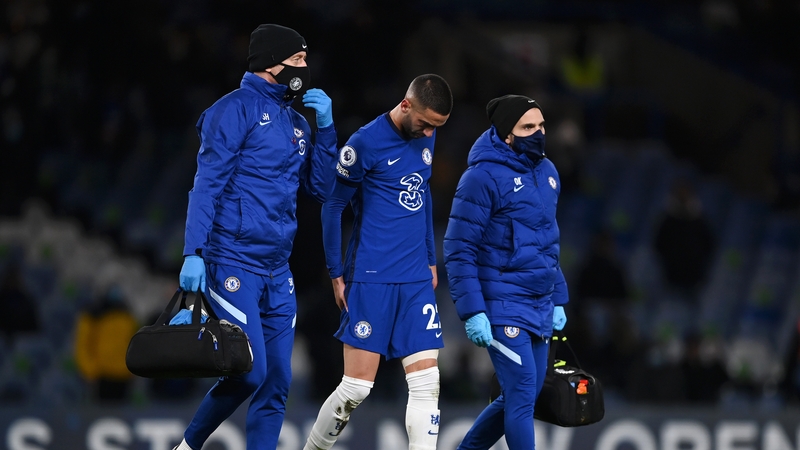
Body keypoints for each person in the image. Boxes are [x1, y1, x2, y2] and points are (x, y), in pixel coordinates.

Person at [174, 23, 338, 450]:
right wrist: (193, 252)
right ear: (272, 64)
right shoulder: (232, 110)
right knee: (250, 372)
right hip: (232, 259)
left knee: (278, 380)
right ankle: (186, 447)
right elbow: (205, 185)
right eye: (299, 60)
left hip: (276, 267)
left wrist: (326, 129)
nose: (306, 68)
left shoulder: (297, 123)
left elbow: (321, 189)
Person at [302, 74, 453, 450]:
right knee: (356, 388)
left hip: (416, 278)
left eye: (437, 127)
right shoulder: (364, 144)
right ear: (406, 106)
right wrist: (336, 273)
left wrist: (431, 258)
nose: (430, 133)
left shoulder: (425, 136)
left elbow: (422, 191)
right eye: (426, 123)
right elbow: (333, 206)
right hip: (372, 277)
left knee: (426, 384)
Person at [443, 95, 569, 449]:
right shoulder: (480, 178)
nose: (539, 133)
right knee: (524, 391)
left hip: (539, 304)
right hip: (502, 302)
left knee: (518, 394)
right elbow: (458, 248)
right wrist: (473, 311)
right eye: (528, 127)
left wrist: (558, 297)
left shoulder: (548, 173)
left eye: (541, 125)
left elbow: (547, 241)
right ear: (507, 135)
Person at [74, 285, 139, 403]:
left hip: (123, 375)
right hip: (102, 375)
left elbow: (134, 343)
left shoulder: (127, 315)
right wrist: (90, 371)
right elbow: (83, 345)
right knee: (103, 414)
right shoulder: (92, 315)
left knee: (122, 415)